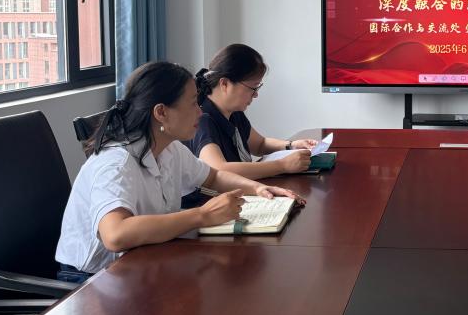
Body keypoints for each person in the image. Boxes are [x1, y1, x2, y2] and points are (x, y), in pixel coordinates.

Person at [55, 61, 304, 281]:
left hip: (141, 261)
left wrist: (259, 189)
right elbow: (116, 235)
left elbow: (213, 176)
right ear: (161, 112)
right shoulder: (116, 163)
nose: (200, 111)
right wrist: (202, 215)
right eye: (193, 103)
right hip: (92, 279)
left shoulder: (169, 148)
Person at [189, 43, 318, 181]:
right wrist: (282, 165)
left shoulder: (234, 113)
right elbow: (218, 169)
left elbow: (260, 144)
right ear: (224, 84)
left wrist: (291, 145)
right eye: (253, 87)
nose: (256, 95)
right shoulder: (202, 119)